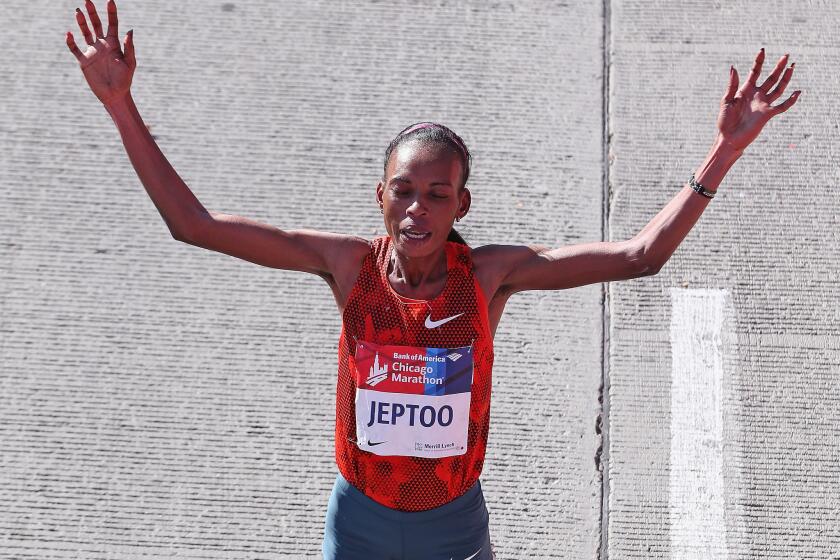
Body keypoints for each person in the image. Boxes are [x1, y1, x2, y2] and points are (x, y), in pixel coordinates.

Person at [66, 2, 801, 558]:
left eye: (438, 194)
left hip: (452, 526)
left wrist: (723, 152)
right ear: (379, 196)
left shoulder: (489, 277)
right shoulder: (348, 265)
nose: (418, 209)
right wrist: (120, 106)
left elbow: (641, 255)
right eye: (403, 191)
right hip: (357, 523)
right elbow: (194, 225)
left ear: (463, 204)